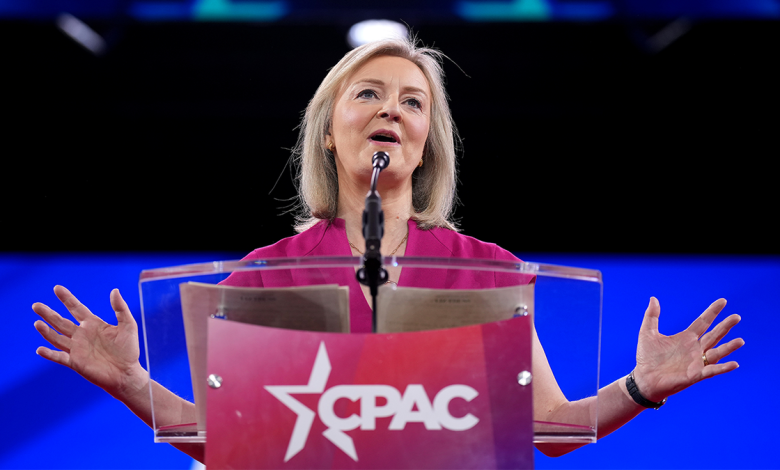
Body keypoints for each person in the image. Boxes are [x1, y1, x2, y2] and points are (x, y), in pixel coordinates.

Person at [31, 37, 744, 462]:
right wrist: (129, 382)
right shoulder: (265, 275)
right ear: (329, 134)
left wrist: (639, 388)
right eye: (367, 94)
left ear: (426, 139)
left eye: (411, 102)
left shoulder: (486, 270)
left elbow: (548, 430)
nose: (389, 111)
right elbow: (235, 447)